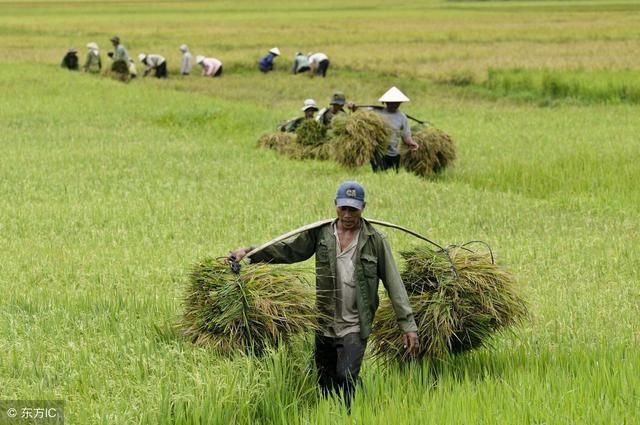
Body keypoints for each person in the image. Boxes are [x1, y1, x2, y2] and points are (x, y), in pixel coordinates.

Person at [227, 181, 419, 412]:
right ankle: (346, 409)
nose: (347, 215)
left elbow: (393, 283)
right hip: (324, 321)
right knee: (325, 382)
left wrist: (408, 325)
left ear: (363, 207)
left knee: (346, 374)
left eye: (353, 209)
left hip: (356, 324)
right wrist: (250, 253)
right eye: (343, 208)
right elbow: (288, 251)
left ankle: (352, 414)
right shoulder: (322, 234)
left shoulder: (374, 240)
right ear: (336, 206)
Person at [351, 87, 419, 172]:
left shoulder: (402, 117)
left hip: (394, 154)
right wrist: (353, 107)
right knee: (380, 175)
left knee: (394, 178)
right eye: (392, 102)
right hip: (379, 153)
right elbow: (359, 113)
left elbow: (406, 137)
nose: (394, 104)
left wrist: (412, 143)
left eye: (397, 102)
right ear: (386, 102)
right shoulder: (375, 112)